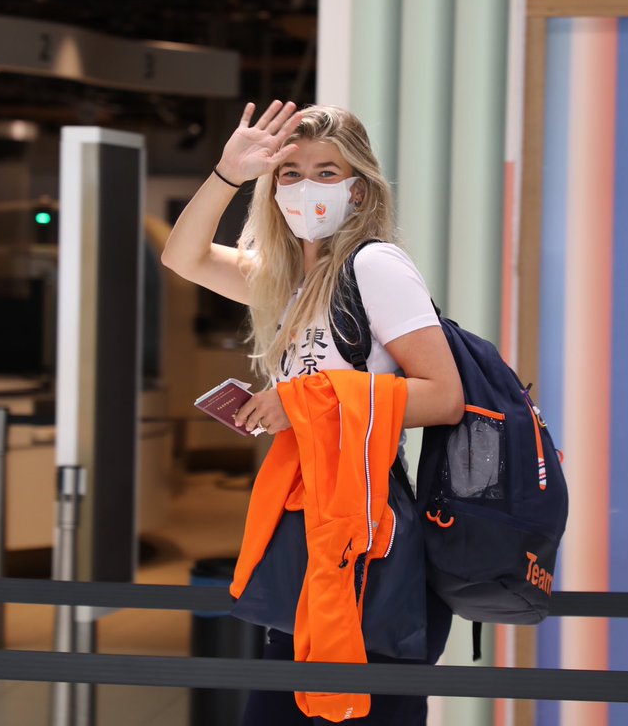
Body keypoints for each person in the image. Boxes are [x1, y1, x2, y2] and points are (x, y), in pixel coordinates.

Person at [161, 100, 464, 724]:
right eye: (291, 173)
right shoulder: (284, 282)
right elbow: (182, 257)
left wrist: (302, 402)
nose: (306, 186)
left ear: (358, 191)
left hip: (365, 530)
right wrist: (228, 173)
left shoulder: (374, 266)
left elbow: (443, 394)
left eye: (328, 171)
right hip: (306, 528)